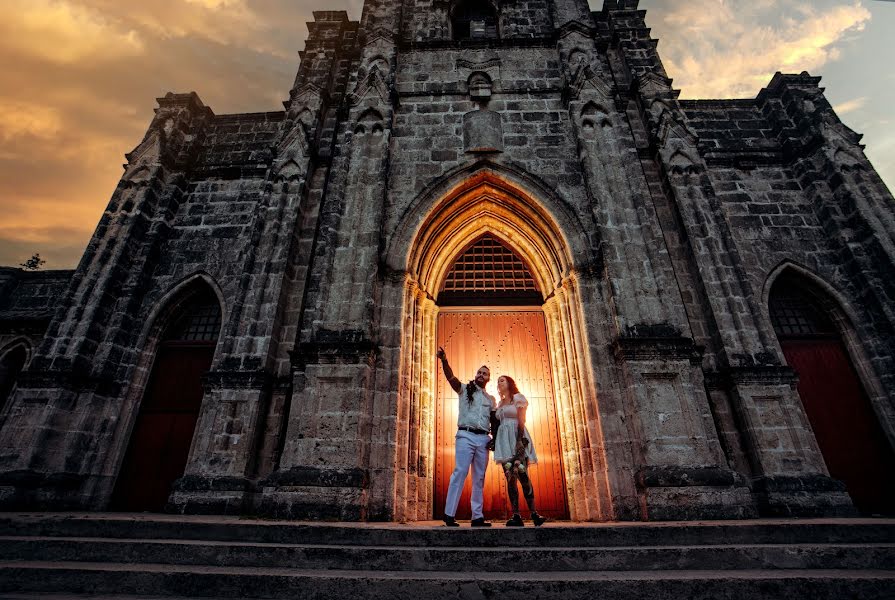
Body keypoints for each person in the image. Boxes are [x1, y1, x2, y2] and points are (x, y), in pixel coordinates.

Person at [437, 346, 497, 527]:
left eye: (485, 373)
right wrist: (444, 360)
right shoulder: (464, 389)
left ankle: (477, 517)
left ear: (488, 378)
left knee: (479, 477)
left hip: (483, 439)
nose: (481, 375)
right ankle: (449, 514)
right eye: (479, 372)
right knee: (460, 472)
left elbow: (493, 421)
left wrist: (494, 438)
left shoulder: (490, 399)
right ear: (476, 374)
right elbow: (450, 378)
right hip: (465, 435)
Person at [494, 375, 547, 527]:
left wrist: (519, 443)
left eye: (502, 380)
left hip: (518, 438)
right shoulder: (500, 403)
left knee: (523, 475)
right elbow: (497, 424)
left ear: (509, 383)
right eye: (498, 381)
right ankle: (516, 516)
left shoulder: (518, 398)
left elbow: (522, 420)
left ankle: (534, 514)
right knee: (510, 478)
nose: (499, 383)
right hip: (504, 443)